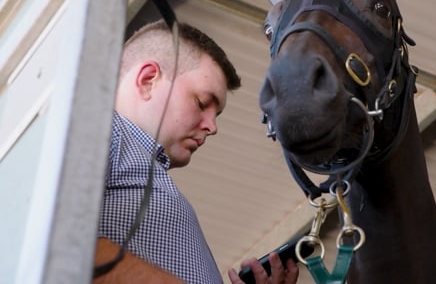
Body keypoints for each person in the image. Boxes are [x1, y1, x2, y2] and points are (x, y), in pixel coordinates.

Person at [94, 20, 299, 284]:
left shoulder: (147, 174)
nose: (212, 127)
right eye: (202, 103)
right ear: (147, 80)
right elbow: (61, 243)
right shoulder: (96, 131)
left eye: (217, 115)